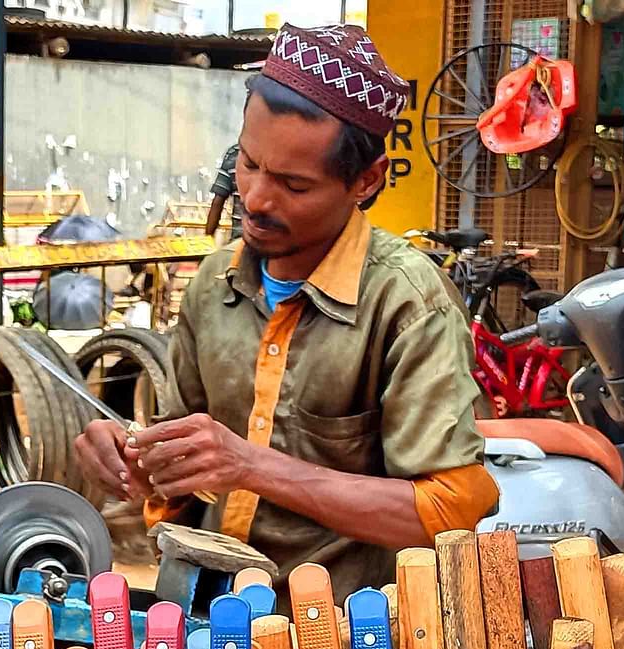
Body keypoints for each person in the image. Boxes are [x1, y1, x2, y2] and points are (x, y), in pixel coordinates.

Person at [76, 23, 498, 603]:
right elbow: (183, 476)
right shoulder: (214, 285)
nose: (254, 199)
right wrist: (135, 462)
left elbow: (451, 511)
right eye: (248, 164)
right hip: (205, 618)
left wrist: (250, 466)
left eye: (293, 185)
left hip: (347, 639)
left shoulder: (407, 304)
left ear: (365, 181)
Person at [205, 143, 242, 239]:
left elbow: (217, 203)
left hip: (238, 243)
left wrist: (207, 240)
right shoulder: (279, 152)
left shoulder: (235, 153)